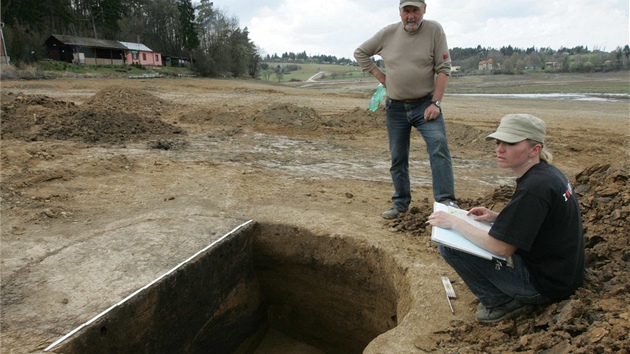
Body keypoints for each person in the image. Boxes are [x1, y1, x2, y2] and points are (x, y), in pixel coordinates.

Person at [427, 114, 585, 324]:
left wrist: (455, 222)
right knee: (474, 234)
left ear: (535, 149)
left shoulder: (534, 188)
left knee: (449, 246)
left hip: (544, 286)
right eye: (499, 142)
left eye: (510, 143)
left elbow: (502, 249)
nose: (500, 149)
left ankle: (500, 301)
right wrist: (497, 217)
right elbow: (540, 220)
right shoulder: (547, 174)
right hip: (564, 275)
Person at [354, 0, 457, 219]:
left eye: (415, 10)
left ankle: (446, 202)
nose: (411, 15)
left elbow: (443, 69)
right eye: (406, 11)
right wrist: (382, 78)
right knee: (398, 156)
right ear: (400, 12)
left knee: (438, 146)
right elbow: (361, 52)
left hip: (426, 105)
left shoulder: (434, 30)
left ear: (424, 10)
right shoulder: (388, 33)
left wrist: (435, 103)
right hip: (396, 108)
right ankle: (400, 203)